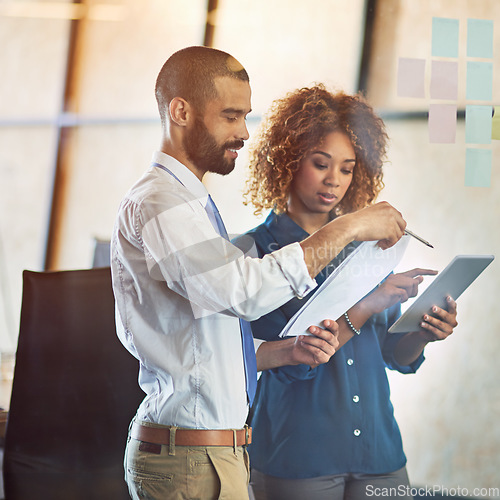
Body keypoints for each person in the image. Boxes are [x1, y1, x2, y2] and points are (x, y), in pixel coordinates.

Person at [110, 47, 408, 500]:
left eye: (245, 117)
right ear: (181, 111)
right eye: (231, 116)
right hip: (197, 455)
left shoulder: (191, 206)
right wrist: (351, 226)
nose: (244, 133)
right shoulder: (161, 203)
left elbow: (210, 344)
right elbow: (243, 293)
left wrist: (283, 352)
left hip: (216, 453)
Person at [239, 85, 459, 500]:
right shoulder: (259, 256)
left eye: (347, 168)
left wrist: (424, 331)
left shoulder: (367, 249)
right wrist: (368, 304)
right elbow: (289, 363)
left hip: (381, 454)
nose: (333, 181)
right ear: (287, 160)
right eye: (321, 164)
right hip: (299, 457)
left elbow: (395, 356)